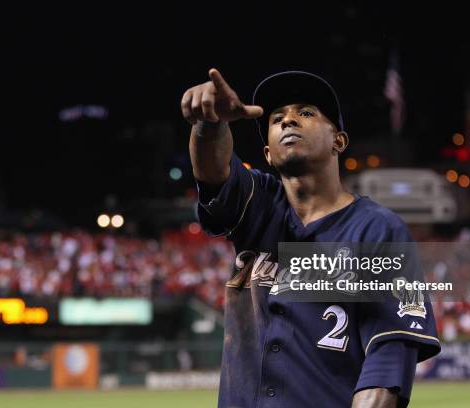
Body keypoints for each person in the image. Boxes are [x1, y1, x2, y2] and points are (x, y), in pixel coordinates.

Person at [181, 69, 440, 408]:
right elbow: (213, 172)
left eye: (305, 113)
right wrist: (210, 124)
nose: (289, 120)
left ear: (339, 141)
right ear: (269, 153)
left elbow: (388, 353)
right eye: (277, 118)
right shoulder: (258, 203)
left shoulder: (378, 230)